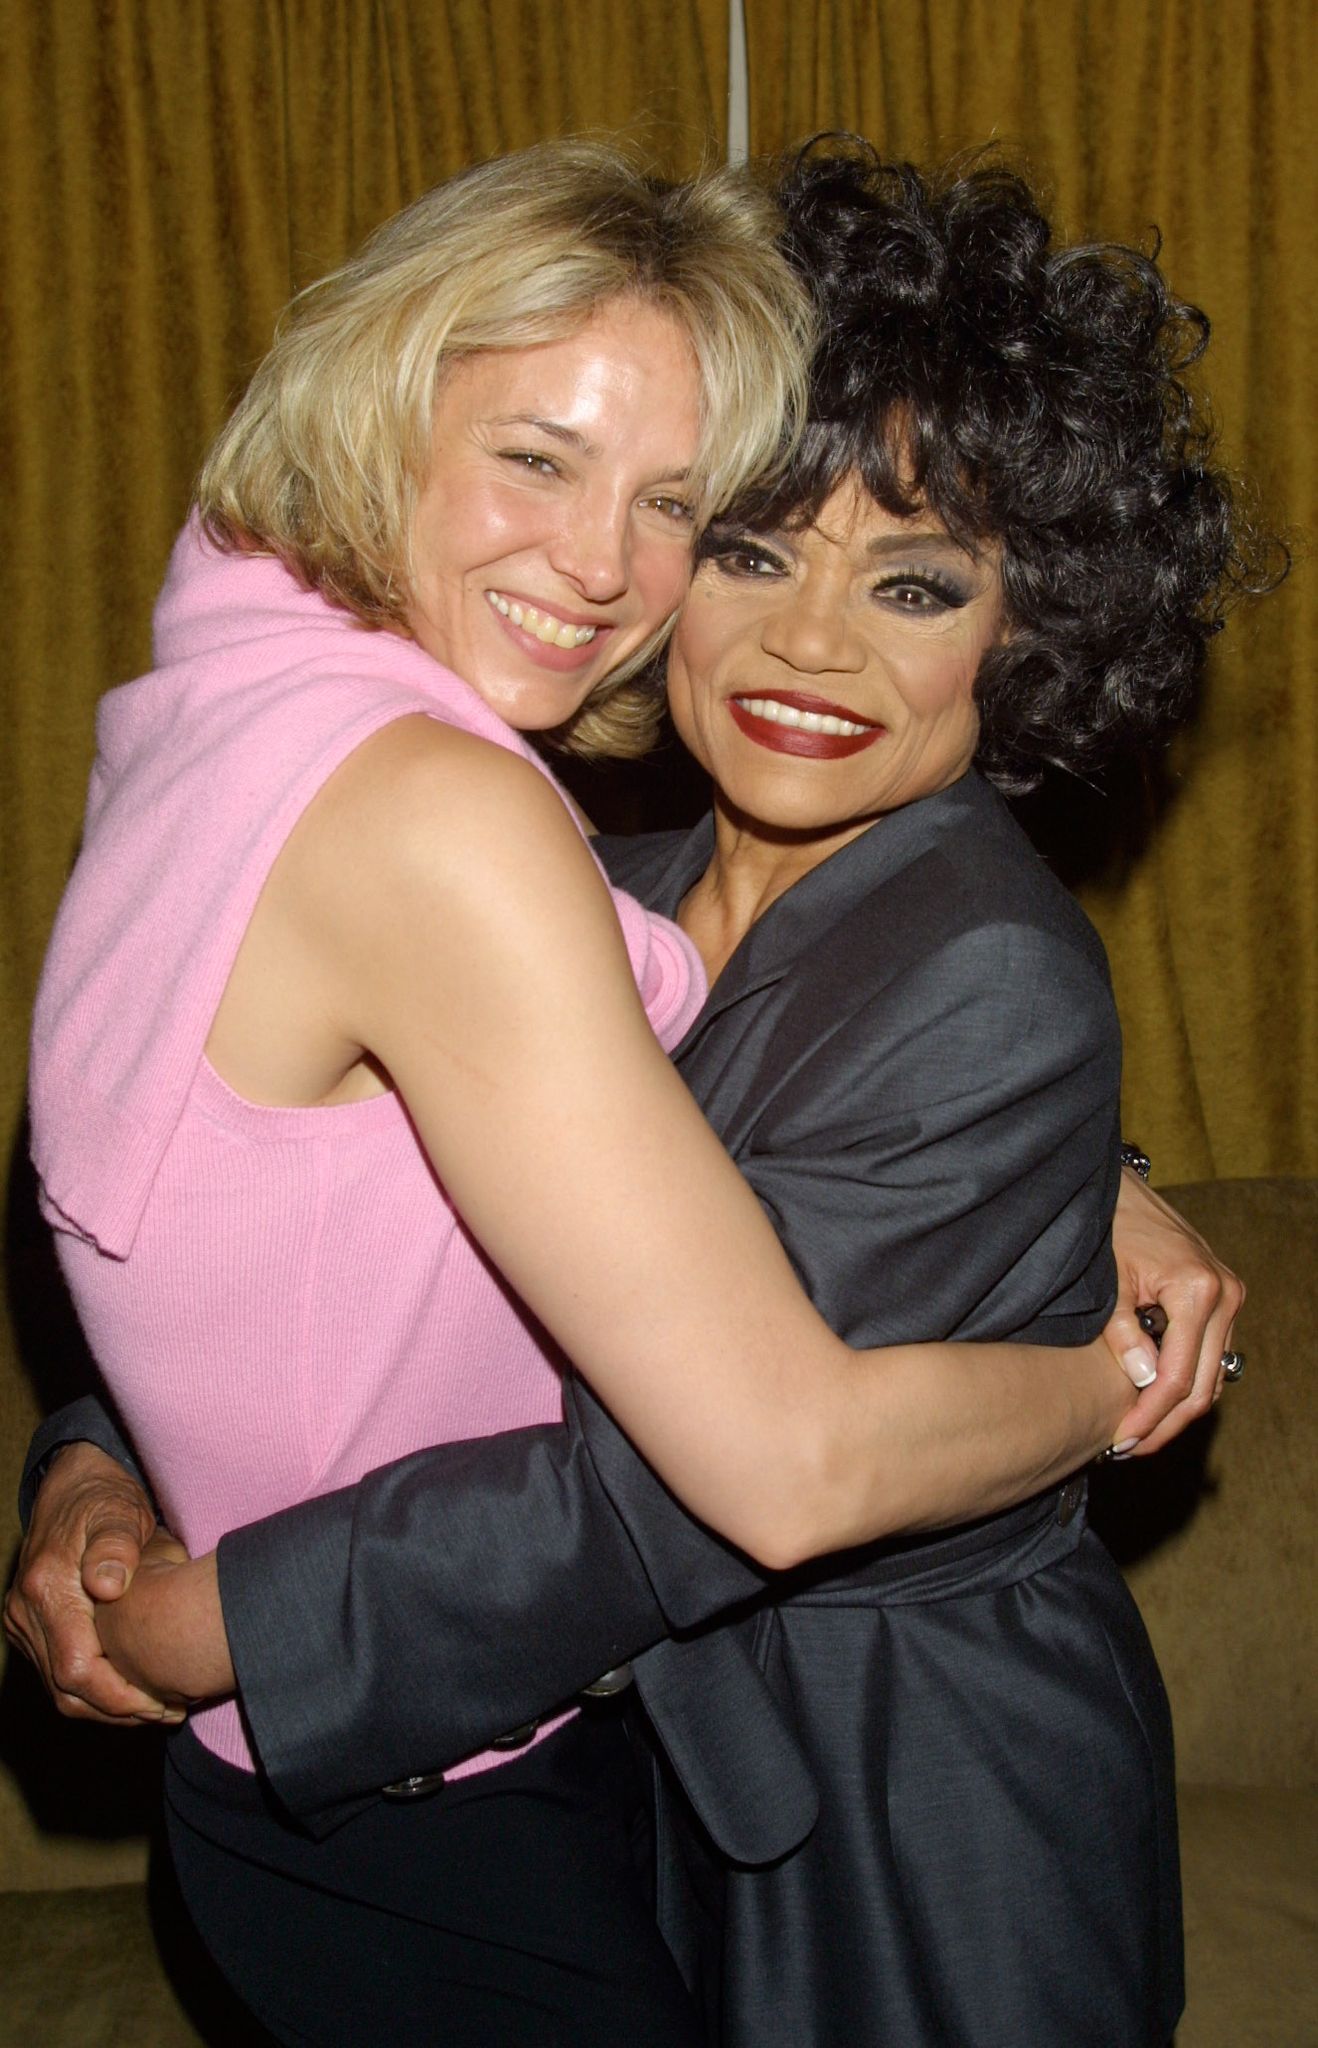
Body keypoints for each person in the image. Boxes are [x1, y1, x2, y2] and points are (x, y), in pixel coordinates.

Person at [7, 143, 1252, 2045]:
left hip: (903, 1800)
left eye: (913, 584)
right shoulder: (610, 864)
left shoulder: (981, 966)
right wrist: (100, 1449)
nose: (809, 645)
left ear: (1030, 634)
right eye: (746, 544)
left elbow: (657, 1494)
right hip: (638, 1765)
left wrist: (236, 1618)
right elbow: (309, 1212)